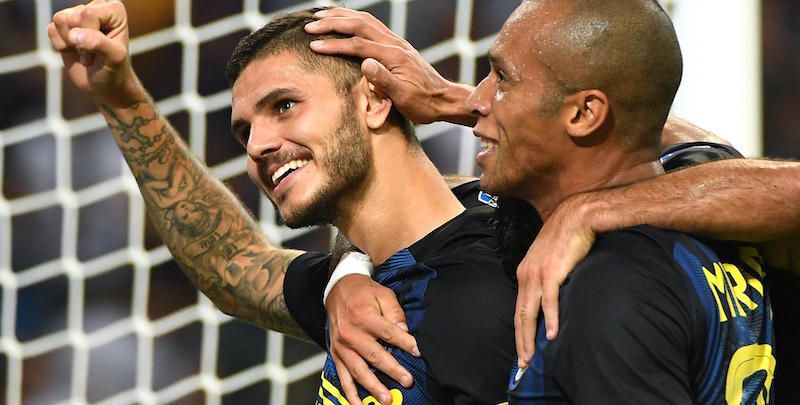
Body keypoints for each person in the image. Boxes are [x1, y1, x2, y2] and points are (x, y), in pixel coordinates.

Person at [303, 2, 800, 402]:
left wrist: (585, 211)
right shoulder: (707, 189)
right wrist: (348, 269)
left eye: (503, 79)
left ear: (584, 112)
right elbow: (637, 114)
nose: (476, 99)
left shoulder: (603, 296)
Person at [48, 1, 516, 404]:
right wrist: (120, 95)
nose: (256, 147)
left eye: (284, 105)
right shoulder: (373, 286)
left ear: (373, 99)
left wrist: (456, 102)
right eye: (244, 131)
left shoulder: (496, 282)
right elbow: (232, 263)